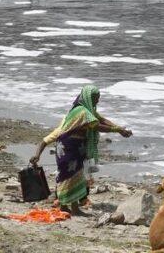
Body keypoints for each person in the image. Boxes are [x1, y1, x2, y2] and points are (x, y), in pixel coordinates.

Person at [30, 85, 132, 214]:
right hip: (68, 148)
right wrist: (117, 130)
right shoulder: (81, 112)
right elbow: (95, 125)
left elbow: (101, 119)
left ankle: (74, 207)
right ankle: (64, 205)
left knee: (77, 176)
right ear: (88, 97)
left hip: (78, 148)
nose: (97, 101)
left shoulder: (88, 111)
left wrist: (119, 128)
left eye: (98, 98)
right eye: (95, 98)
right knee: (66, 175)